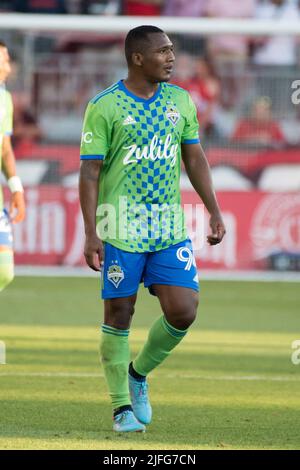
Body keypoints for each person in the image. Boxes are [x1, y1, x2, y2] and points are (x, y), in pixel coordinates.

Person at [79, 25, 225, 433]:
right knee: (120, 312)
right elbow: (89, 172)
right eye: (162, 51)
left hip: (168, 228)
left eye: (173, 50)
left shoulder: (180, 101)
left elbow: (194, 158)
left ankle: (138, 374)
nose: (172, 57)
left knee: (184, 310)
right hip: (120, 226)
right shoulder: (104, 106)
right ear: (137, 58)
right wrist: (91, 233)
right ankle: (120, 408)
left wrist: (213, 209)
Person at [0, 41, 25, 292]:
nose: (8, 65)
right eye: (4, 59)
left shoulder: (5, 98)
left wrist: (16, 187)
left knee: (4, 270)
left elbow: (5, 147)